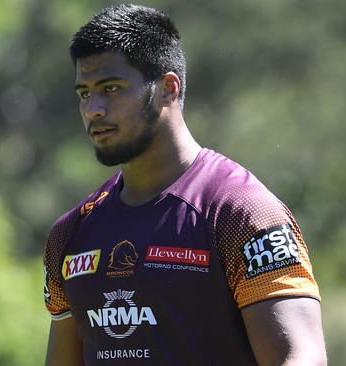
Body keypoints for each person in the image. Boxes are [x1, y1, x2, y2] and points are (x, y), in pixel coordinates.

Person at [43, 4, 326, 365]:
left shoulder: (243, 213)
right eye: (84, 93)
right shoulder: (70, 235)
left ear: (167, 88)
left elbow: (300, 356)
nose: (93, 109)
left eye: (110, 88)